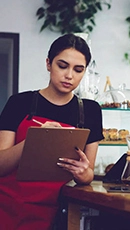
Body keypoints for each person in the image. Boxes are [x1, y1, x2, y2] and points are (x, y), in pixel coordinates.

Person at [0, 34, 104, 229]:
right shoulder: (19, 103)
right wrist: (34, 140)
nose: (69, 75)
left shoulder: (90, 111)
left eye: (78, 69)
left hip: (58, 212)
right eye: (62, 66)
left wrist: (82, 173)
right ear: (48, 64)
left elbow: (88, 172)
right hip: (10, 209)